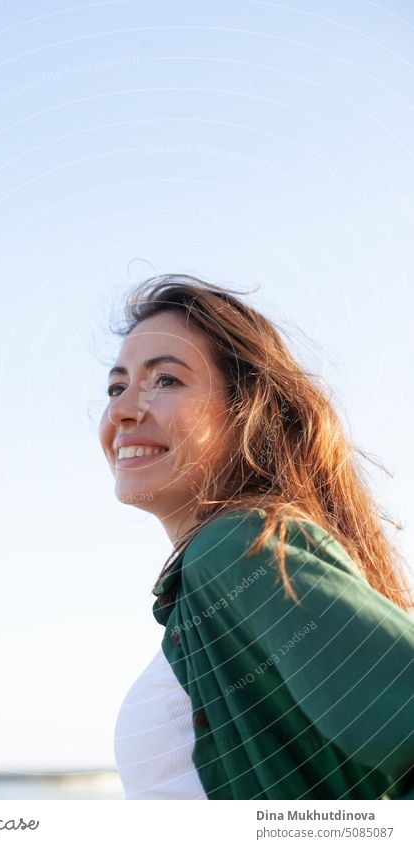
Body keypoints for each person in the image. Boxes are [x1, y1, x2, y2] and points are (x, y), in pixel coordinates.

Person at [98, 273, 414, 800]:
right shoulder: (219, 573)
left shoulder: (238, 548)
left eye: (166, 381)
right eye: (116, 386)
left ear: (248, 410)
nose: (122, 410)